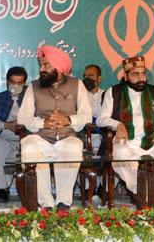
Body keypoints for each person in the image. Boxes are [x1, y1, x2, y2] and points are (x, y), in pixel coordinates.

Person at [97, 56, 154, 198]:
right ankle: (145, 194)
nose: (141, 78)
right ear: (125, 76)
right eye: (135, 74)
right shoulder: (113, 92)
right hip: (127, 143)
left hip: (153, 142)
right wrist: (117, 124)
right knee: (119, 156)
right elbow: (101, 119)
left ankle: (145, 191)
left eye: (143, 73)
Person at [17, 46, 91, 210]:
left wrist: (68, 120)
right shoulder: (33, 87)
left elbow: (86, 115)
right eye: (41, 65)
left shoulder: (77, 85)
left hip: (67, 137)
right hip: (41, 137)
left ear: (59, 68)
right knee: (28, 148)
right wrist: (42, 123)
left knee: (73, 147)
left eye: (46, 65)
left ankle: (63, 202)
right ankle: (46, 204)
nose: (41, 69)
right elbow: (23, 117)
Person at [0, 66, 28, 203]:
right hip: (6, 135)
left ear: (24, 83)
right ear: (7, 82)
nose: (16, 85)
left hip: (27, 137)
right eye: (13, 82)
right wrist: (6, 125)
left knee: (17, 155)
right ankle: (2, 190)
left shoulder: (31, 98)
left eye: (20, 82)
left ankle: (30, 188)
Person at [82, 64, 105, 153]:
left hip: (104, 139)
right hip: (85, 140)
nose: (87, 79)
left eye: (90, 76)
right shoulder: (80, 96)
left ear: (99, 79)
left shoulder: (107, 95)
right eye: (85, 76)